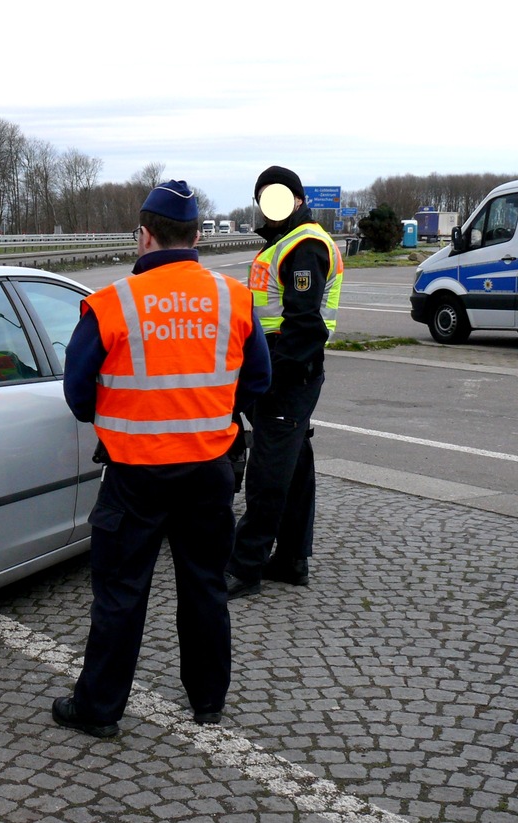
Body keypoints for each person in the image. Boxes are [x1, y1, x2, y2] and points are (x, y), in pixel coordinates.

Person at [51, 180, 271, 738]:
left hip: (134, 476)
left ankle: (99, 710)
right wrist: (211, 413)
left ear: (144, 235)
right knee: (204, 586)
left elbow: (78, 396)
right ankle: (208, 702)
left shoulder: (110, 304)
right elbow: (259, 381)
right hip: (208, 470)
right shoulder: (234, 298)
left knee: (121, 595)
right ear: (197, 235)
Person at [225, 166, 344, 600]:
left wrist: (271, 378)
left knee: (268, 473)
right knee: (294, 468)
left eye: (276, 197)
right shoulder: (284, 242)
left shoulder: (305, 245)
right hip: (282, 367)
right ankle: (292, 559)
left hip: (288, 371)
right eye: (263, 198)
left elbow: (304, 325)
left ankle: (244, 567)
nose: (268, 206)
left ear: (296, 199)